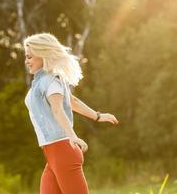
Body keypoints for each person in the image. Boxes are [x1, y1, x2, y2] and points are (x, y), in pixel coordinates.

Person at [23, 33, 119, 194]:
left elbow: (58, 108)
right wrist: (98, 116)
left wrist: (72, 136)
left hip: (63, 152)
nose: (26, 61)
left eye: (29, 57)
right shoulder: (40, 82)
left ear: (43, 55)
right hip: (52, 155)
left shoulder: (51, 80)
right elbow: (72, 101)